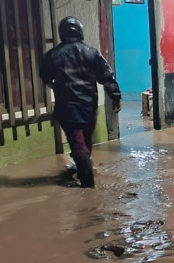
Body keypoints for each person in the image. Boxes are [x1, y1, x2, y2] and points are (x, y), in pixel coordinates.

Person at [39, 16, 122, 188]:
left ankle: (87, 185)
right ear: (80, 32)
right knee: (84, 141)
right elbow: (107, 77)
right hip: (89, 106)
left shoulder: (52, 55)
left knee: (78, 143)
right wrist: (116, 97)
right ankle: (85, 171)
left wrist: (57, 87)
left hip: (67, 107)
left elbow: (46, 78)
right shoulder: (92, 52)